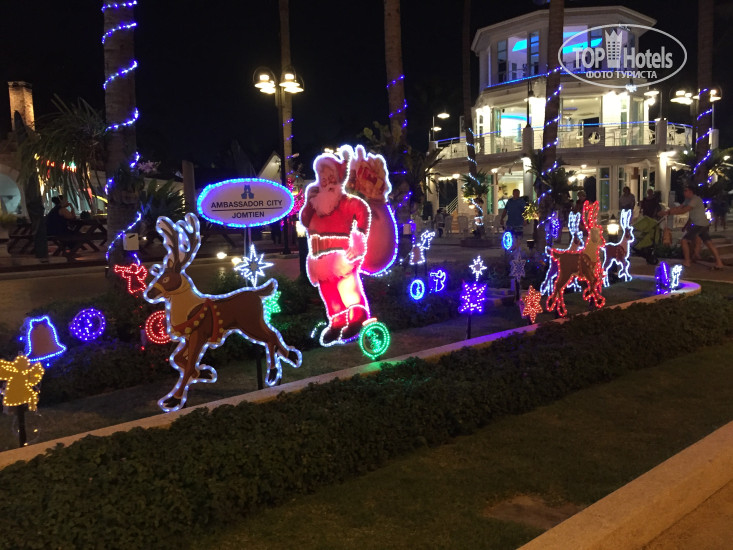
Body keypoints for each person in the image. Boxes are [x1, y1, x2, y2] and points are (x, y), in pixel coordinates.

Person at [299, 151, 372, 344]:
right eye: (322, 177)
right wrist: (308, 203)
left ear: (338, 178)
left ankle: (357, 317)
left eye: (330, 177)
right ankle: (336, 322)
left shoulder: (346, 202)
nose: (326, 182)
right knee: (328, 291)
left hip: (341, 256)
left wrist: (359, 237)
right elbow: (305, 221)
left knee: (347, 287)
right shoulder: (315, 202)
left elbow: (363, 211)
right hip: (318, 256)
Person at [660, 185, 724, 269]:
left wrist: (668, 213)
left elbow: (684, 210)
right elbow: (679, 207)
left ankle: (687, 261)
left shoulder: (695, 199)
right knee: (708, 242)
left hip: (699, 224)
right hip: (702, 224)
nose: (684, 192)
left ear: (690, 191)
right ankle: (719, 262)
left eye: (685, 191)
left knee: (684, 241)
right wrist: (668, 211)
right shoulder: (688, 200)